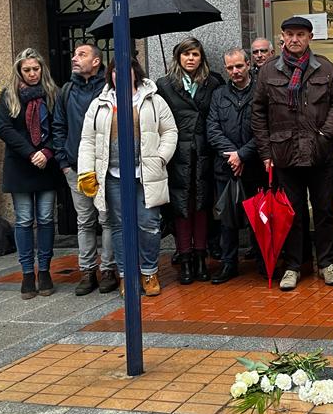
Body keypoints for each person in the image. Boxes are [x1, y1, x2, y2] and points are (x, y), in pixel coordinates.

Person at [252, 15, 333, 291]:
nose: (294, 39)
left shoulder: (325, 68)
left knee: (324, 211)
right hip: (284, 154)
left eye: (300, 35)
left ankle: (327, 263)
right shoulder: (268, 71)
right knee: (291, 214)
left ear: (310, 38)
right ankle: (293, 266)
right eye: (289, 34)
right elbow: (258, 112)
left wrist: (327, 132)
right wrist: (265, 151)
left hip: (321, 153)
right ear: (282, 37)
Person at [77, 57, 178, 297]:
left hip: (145, 175)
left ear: (136, 73)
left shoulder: (154, 100)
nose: (119, 75)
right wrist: (86, 171)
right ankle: (126, 276)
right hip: (112, 176)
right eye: (115, 71)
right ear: (110, 75)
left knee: (149, 225)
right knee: (119, 227)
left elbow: (170, 131)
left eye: (125, 70)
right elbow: (88, 140)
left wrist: (160, 159)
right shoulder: (99, 103)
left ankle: (149, 272)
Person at [156, 37, 223, 285]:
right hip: (178, 155)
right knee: (181, 208)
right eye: (186, 54)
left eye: (195, 54)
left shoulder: (213, 82)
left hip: (205, 153)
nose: (191, 59)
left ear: (201, 57)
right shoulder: (164, 85)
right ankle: (184, 259)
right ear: (178, 58)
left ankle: (200, 258)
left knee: (202, 207)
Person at [52, 43, 116, 296]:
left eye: (82, 55)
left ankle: (108, 270)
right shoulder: (66, 90)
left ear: (97, 61)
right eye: (75, 55)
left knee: (106, 219)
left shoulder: (107, 89)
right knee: (85, 221)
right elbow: (58, 126)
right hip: (76, 167)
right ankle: (88, 271)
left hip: (104, 166)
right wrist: (64, 163)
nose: (75, 59)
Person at [0, 48, 60, 299]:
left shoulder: (53, 94)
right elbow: (4, 129)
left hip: (47, 164)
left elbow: (60, 127)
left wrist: (46, 152)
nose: (32, 74)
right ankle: (26, 273)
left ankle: (44, 270)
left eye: (36, 69)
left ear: (42, 69)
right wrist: (30, 153)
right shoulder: (9, 95)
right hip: (20, 166)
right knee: (24, 220)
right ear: (19, 71)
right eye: (27, 70)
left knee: (45, 218)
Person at [207, 48, 264, 284]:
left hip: (255, 167)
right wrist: (233, 156)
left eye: (239, 66)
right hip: (227, 167)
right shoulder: (219, 94)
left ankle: (263, 262)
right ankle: (229, 264)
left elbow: (264, 128)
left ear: (248, 64)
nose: (235, 71)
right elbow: (212, 128)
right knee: (227, 220)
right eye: (230, 68)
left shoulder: (261, 90)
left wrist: (242, 154)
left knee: (258, 218)